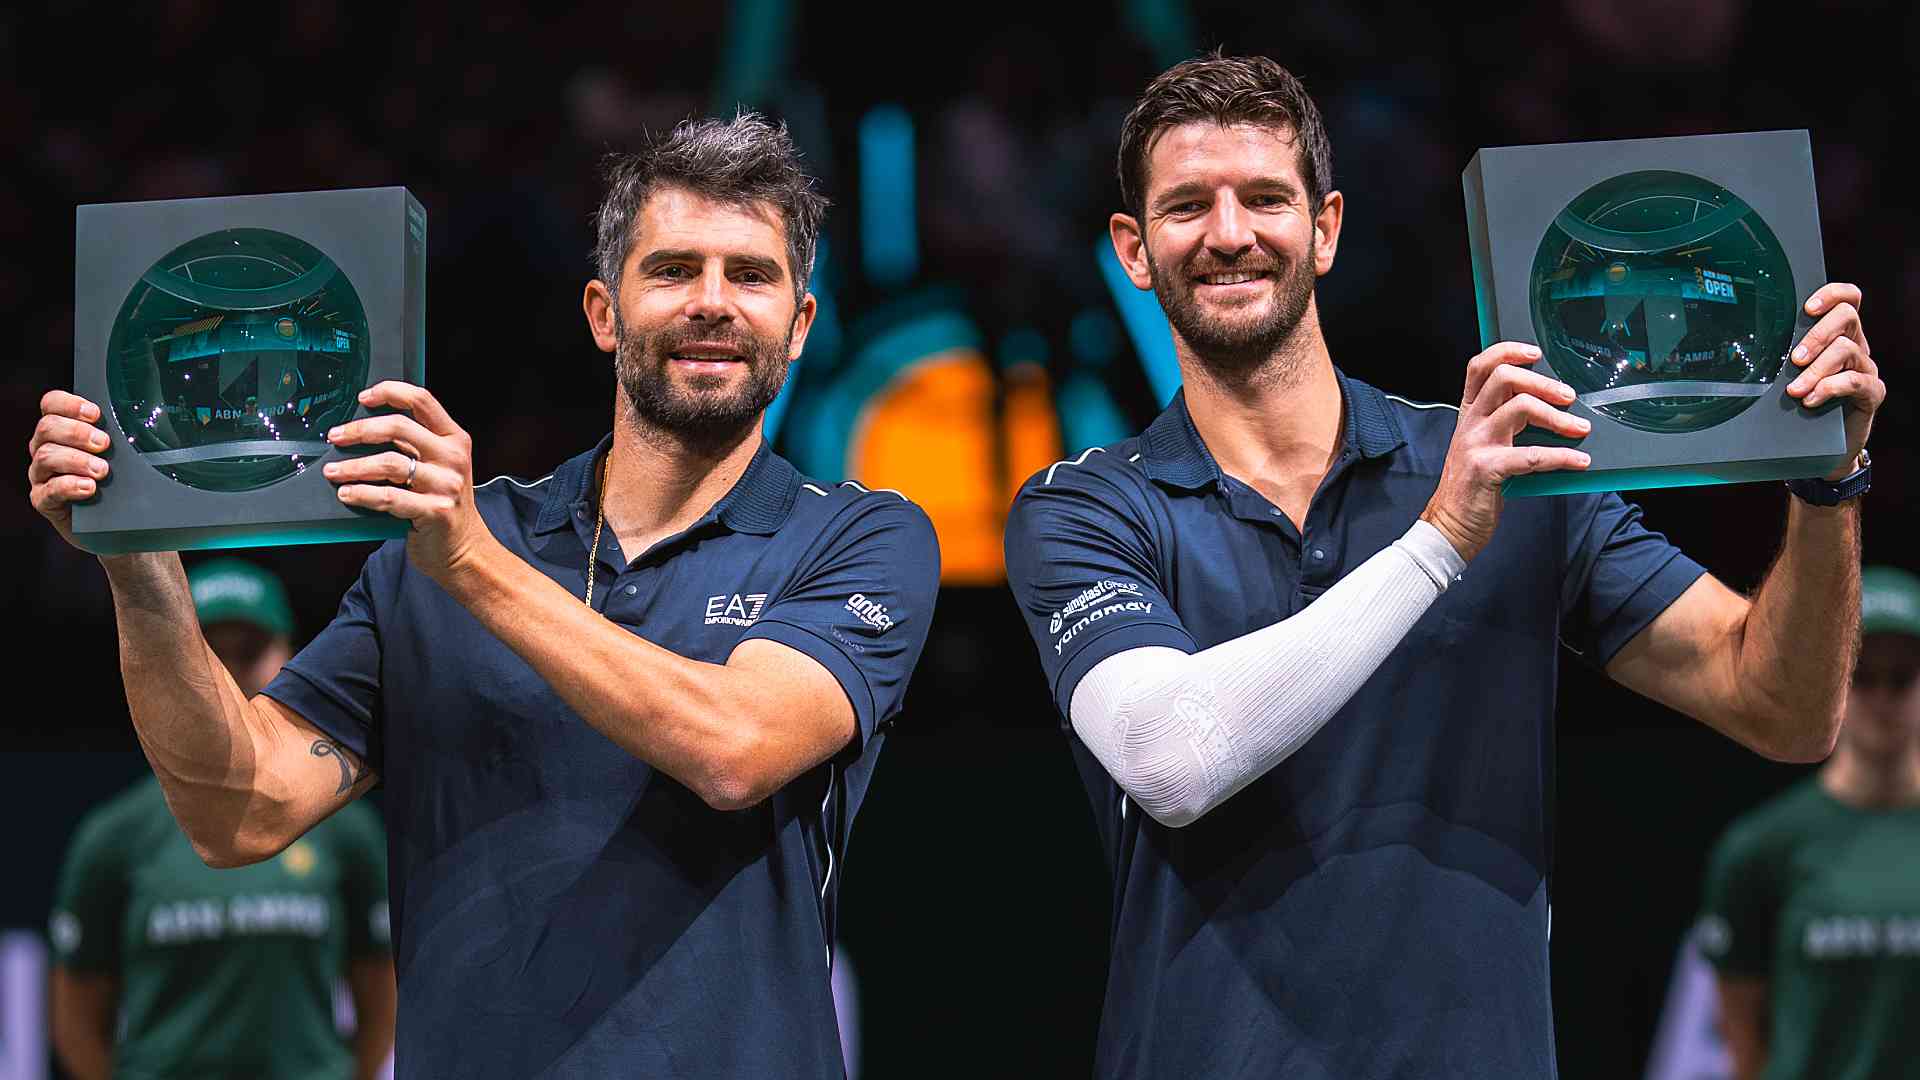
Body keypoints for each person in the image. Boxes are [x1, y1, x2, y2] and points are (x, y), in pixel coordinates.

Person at [1003, 53, 1884, 1077]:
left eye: (1266, 199)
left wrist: (1830, 480)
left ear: (1325, 228)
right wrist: (1440, 540)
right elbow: (1173, 760)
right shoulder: (1087, 508)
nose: (1231, 233)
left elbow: (1783, 709)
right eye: (1188, 205)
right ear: (1134, 250)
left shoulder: (1508, 475)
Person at [29, 113, 940, 1078]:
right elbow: (237, 811)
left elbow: (734, 750)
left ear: (799, 325)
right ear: (604, 312)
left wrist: (469, 561)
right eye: (672, 270)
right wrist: (138, 553)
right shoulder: (433, 556)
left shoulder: (859, 536)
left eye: (750, 275)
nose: (712, 302)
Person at [48, 557, 395, 1080]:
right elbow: (76, 1015)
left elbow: (379, 995)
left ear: (297, 658)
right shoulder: (115, 836)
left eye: (251, 651)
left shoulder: (348, 830)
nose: (229, 673)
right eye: (208, 654)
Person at [1696, 565, 1920, 1080]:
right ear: (1835, 680)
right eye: (1863, 676)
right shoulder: (1761, 848)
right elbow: (1743, 1039)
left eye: (1902, 678)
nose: (1883, 699)